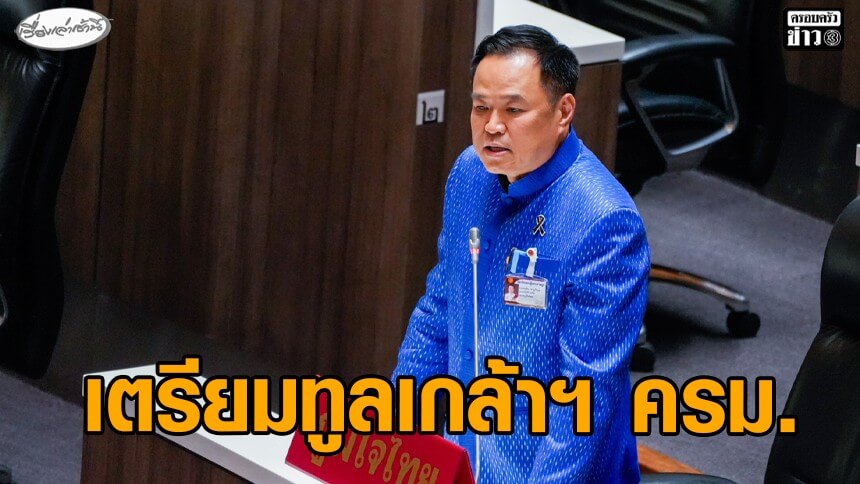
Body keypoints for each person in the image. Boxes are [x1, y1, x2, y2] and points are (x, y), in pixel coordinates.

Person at [392, 25, 649, 483]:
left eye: (513, 110)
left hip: (542, 466)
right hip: (461, 452)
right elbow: (440, 310)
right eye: (480, 107)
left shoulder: (604, 222)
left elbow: (585, 399)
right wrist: (394, 438)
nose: (492, 126)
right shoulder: (470, 173)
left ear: (563, 111)